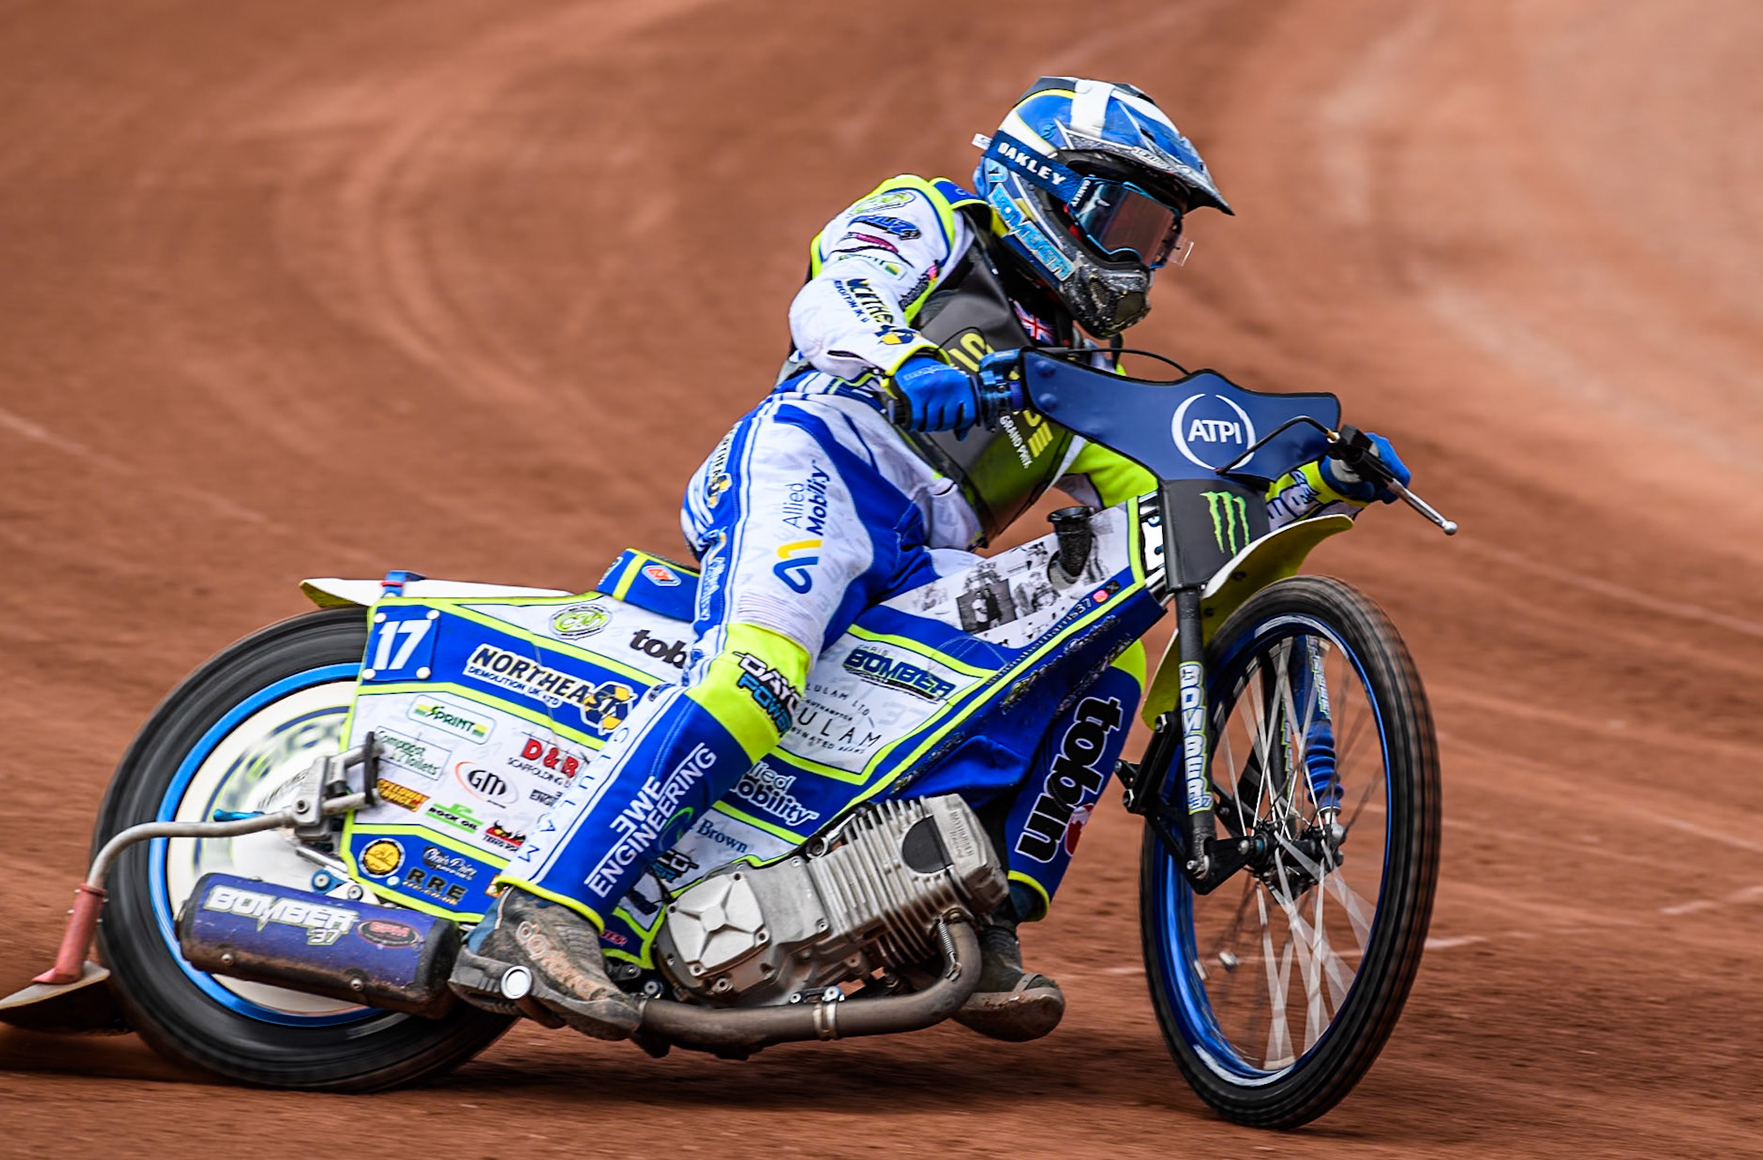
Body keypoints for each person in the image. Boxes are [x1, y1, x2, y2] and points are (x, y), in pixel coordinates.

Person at [460, 77, 1408, 1042]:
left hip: (923, 557)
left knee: (1109, 625)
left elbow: (1168, 521)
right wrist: (904, 358)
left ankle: (983, 911)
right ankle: (545, 912)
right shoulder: (930, 220)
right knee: (758, 675)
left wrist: (1305, 488)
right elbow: (835, 294)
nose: (1139, 256)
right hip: (816, 464)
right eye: (1124, 220)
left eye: (1157, 236)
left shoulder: (1089, 377)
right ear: (1047, 191)